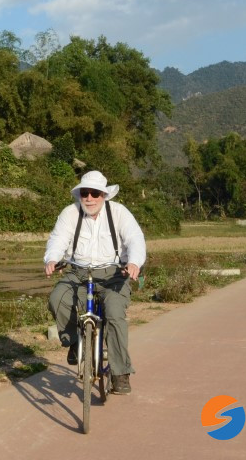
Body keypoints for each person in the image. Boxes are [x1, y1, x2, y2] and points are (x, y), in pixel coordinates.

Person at [44, 170, 146, 396]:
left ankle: (120, 373)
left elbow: (134, 238)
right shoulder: (70, 213)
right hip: (79, 273)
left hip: (113, 276)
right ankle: (73, 341)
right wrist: (52, 258)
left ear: (104, 195)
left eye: (95, 193)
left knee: (115, 313)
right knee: (56, 299)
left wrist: (135, 263)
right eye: (84, 193)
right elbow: (58, 238)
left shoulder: (119, 213)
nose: (89, 198)